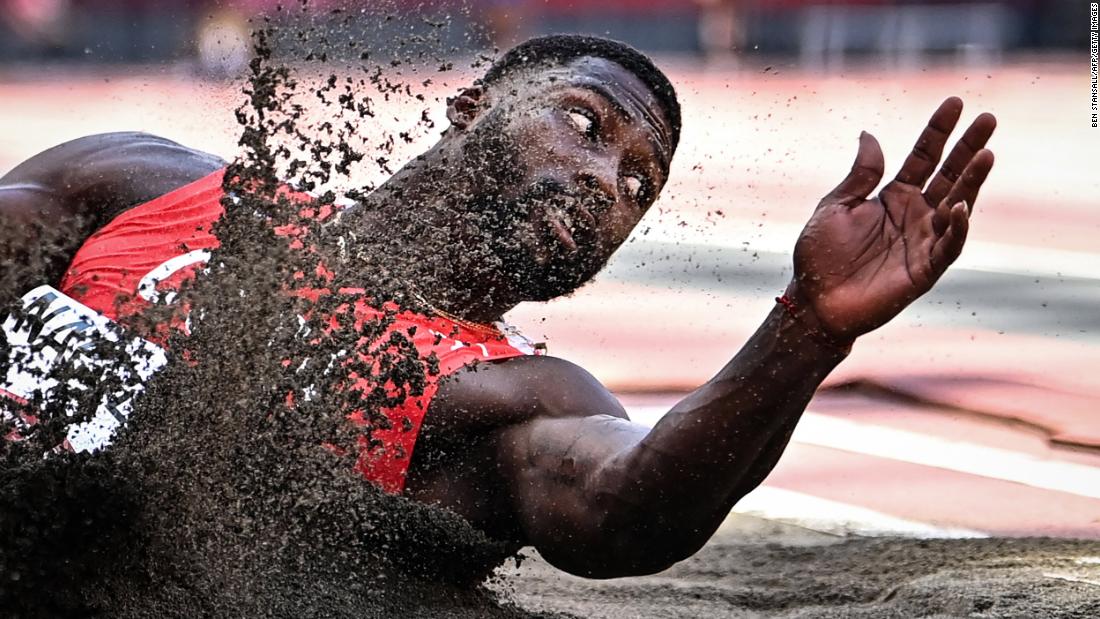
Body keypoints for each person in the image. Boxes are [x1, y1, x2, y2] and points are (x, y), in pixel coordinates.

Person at [0, 35, 995, 578]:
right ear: (470, 108)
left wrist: (807, 328)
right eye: (584, 122)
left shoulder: (504, 396)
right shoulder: (145, 183)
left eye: (638, 184)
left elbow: (624, 506)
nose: (609, 179)